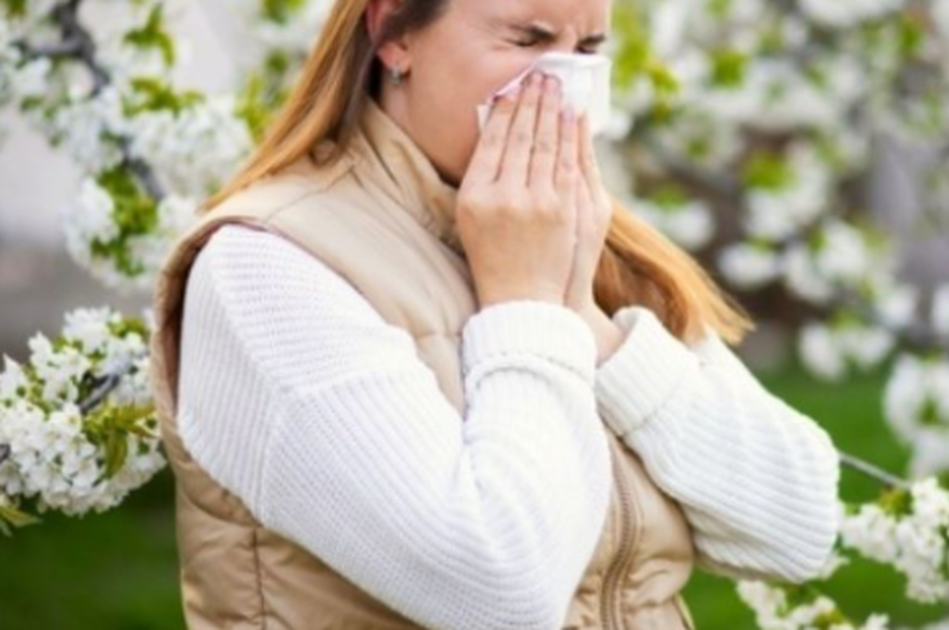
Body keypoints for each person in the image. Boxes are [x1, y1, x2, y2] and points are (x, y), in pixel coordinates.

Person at [145, 0, 842, 628]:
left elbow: (797, 525)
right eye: (526, 38)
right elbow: (498, 593)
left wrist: (586, 321)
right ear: (394, 34)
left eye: (589, 49)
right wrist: (528, 304)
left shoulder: (582, 233)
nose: (564, 86)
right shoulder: (269, 267)